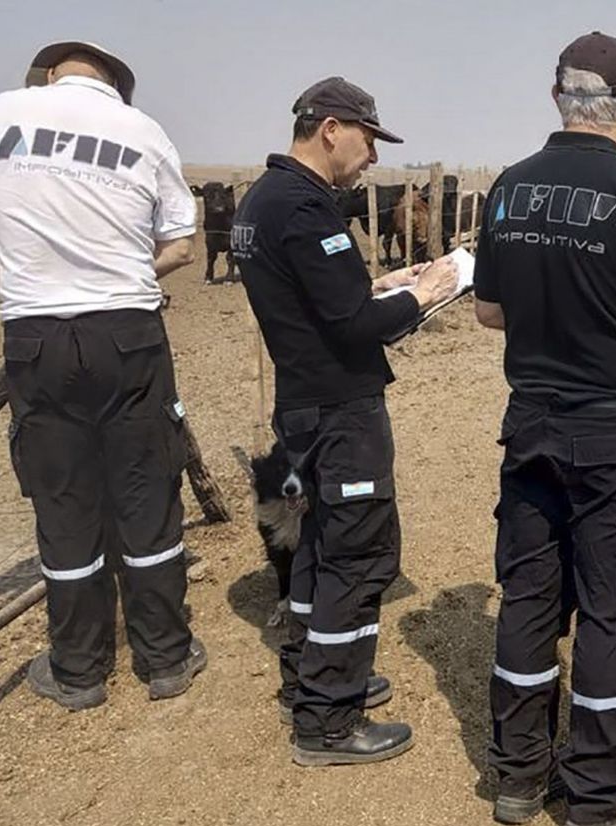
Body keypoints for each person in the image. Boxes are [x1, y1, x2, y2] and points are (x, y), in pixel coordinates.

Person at [0, 41, 205, 710]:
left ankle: (78, 670)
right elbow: (182, 244)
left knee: (63, 500)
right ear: (116, 85)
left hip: (36, 333)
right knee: (145, 490)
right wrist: (123, 275)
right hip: (126, 332)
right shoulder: (143, 131)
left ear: (47, 74)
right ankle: (166, 659)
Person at [473, 31, 616, 826]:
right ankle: (599, 801)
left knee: (530, 594)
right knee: (615, 607)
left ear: (556, 97)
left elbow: (490, 310)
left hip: (530, 422)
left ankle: (517, 776)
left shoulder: (508, 188)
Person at [231, 76, 458, 766]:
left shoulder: (262, 202)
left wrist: (382, 285)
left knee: (318, 546)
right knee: (359, 557)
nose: (373, 158)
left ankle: (311, 674)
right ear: (331, 129)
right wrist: (425, 295)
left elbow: (322, 303)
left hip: (302, 403)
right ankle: (329, 721)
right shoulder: (305, 208)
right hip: (339, 412)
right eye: (368, 139)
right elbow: (356, 326)